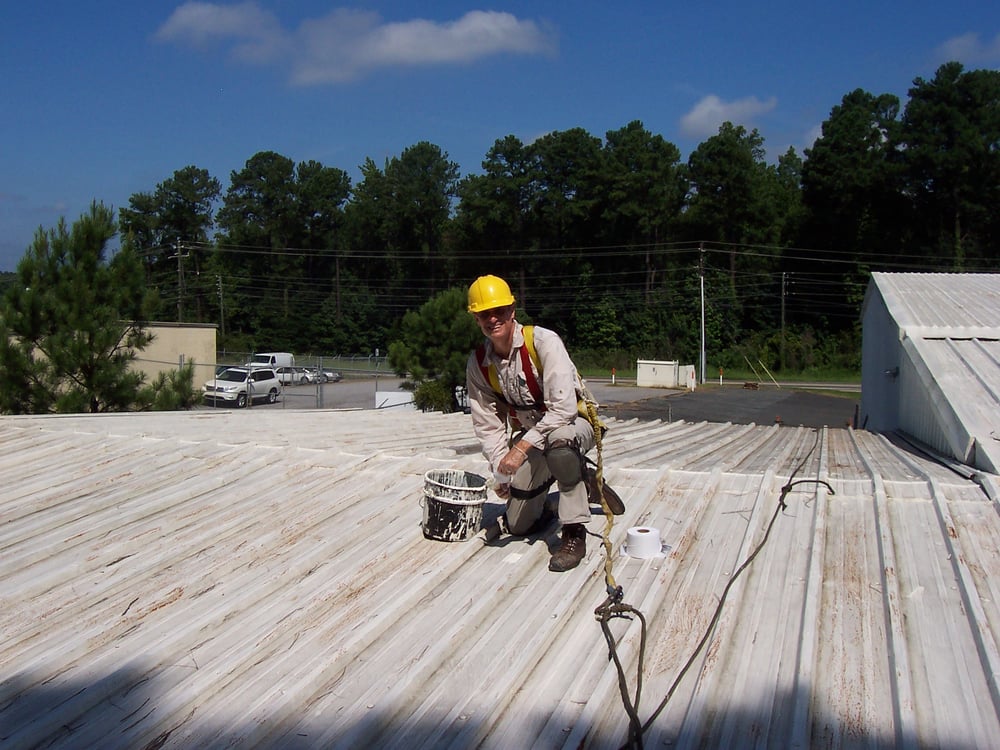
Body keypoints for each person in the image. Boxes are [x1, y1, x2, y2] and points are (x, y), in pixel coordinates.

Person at [465, 274, 624, 572]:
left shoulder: (543, 342)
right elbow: (487, 424)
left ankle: (574, 532)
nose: (493, 318)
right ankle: (578, 481)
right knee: (519, 525)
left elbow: (563, 410)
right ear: (476, 319)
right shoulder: (479, 365)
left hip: (574, 426)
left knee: (560, 445)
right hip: (535, 437)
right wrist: (501, 470)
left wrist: (520, 449)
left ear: (512, 310)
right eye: (484, 314)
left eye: (499, 310)